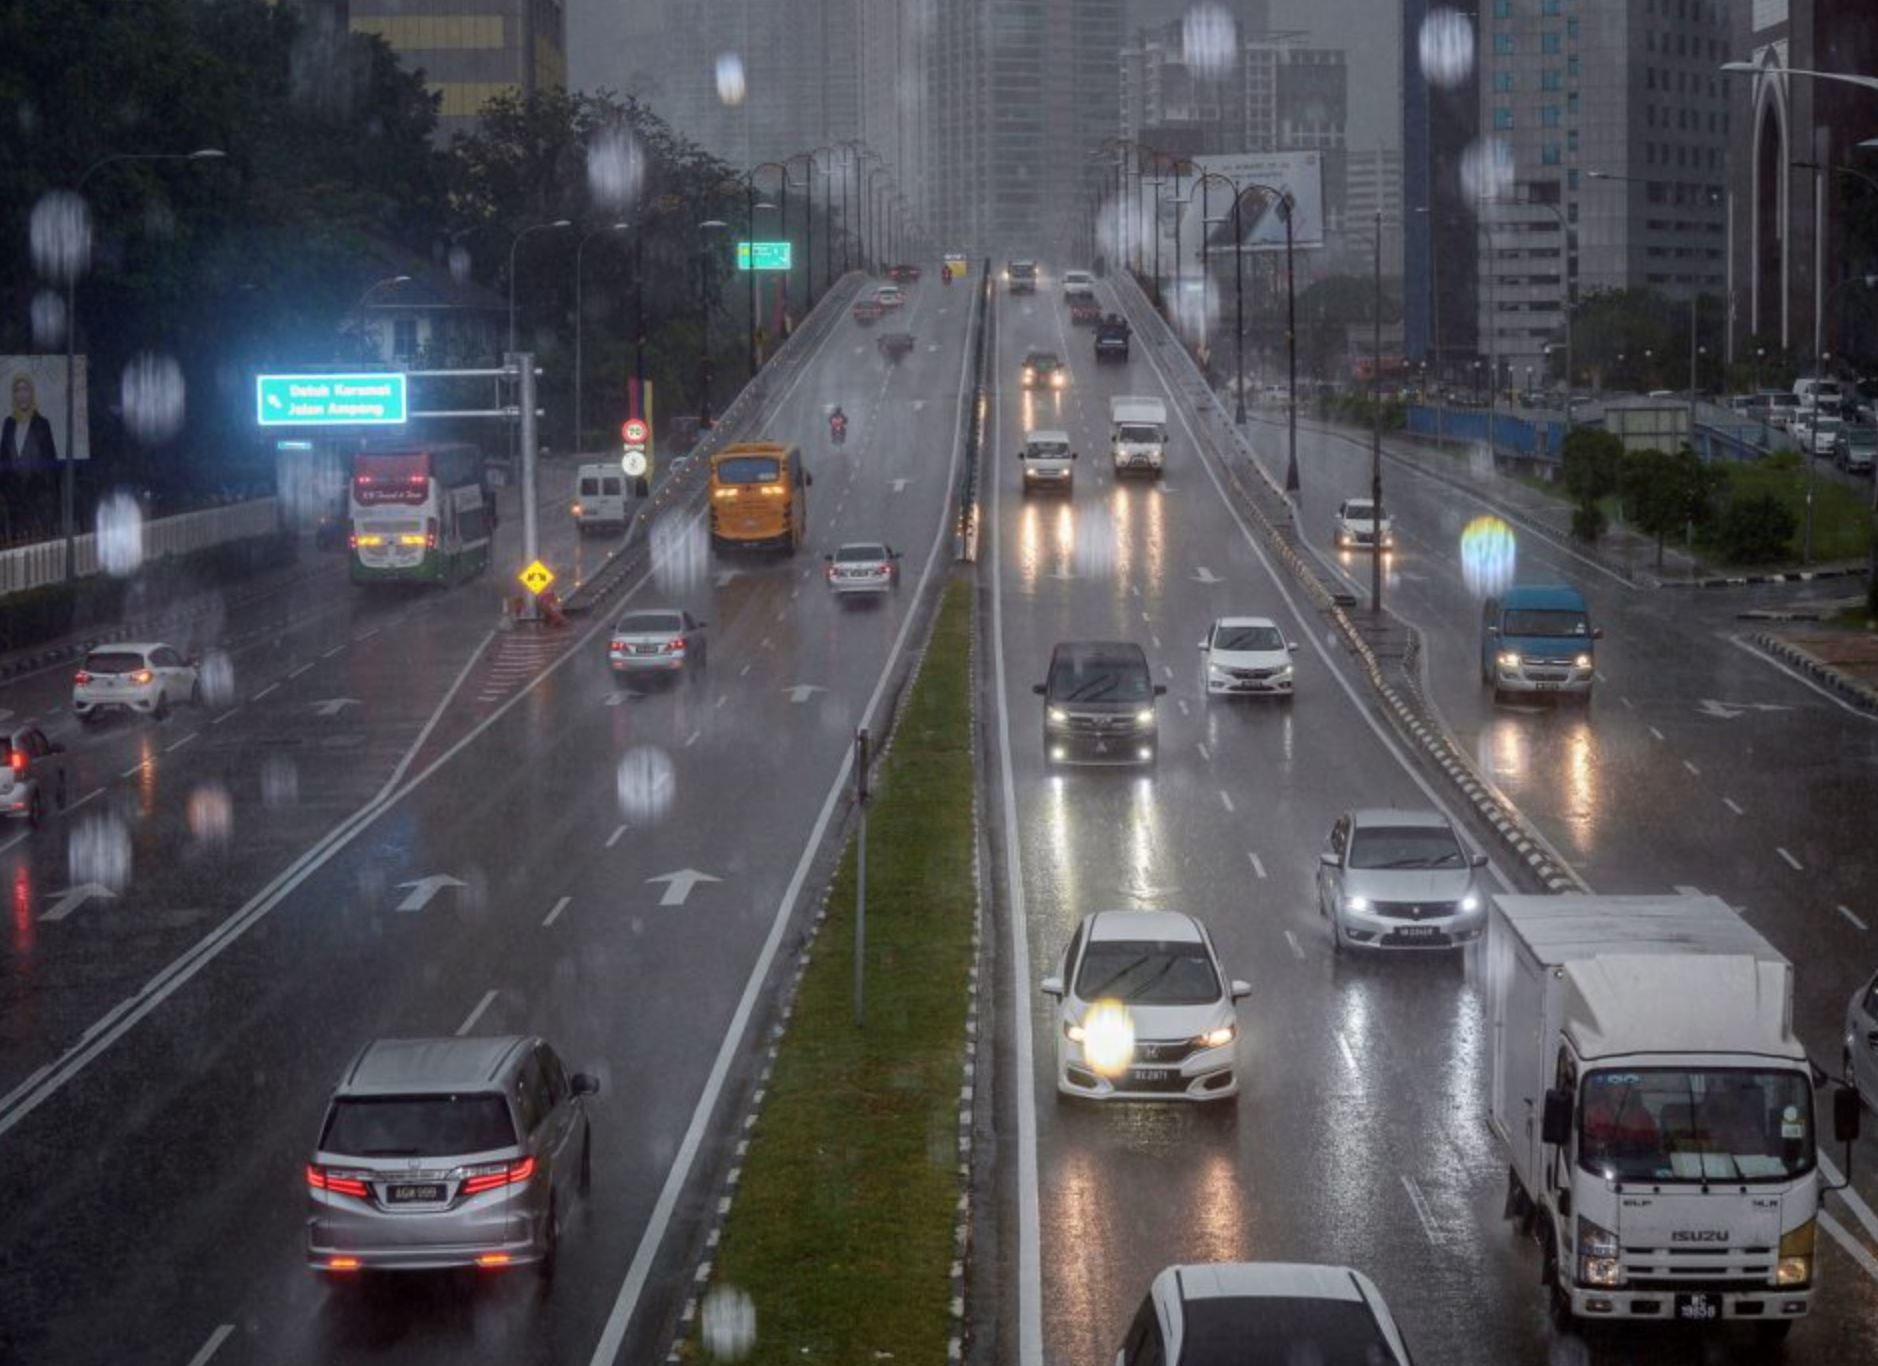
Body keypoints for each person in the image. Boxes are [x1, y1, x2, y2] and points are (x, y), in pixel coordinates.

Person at [3, 372, 58, 466]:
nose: (22, 395)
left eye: (25, 389)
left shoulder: (42, 424)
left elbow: (50, 464)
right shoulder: (9, 424)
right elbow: (3, 461)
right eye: (17, 390)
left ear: (32, 393)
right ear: (14, 395)